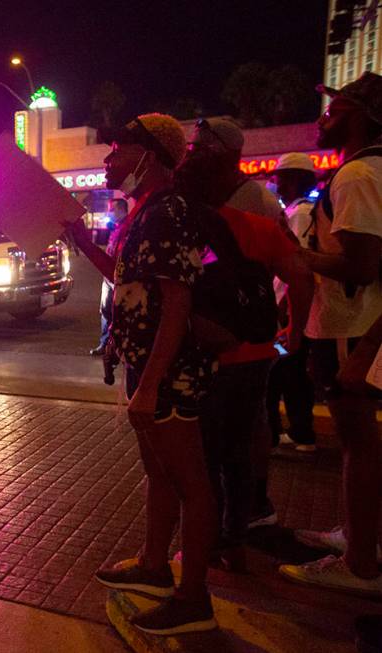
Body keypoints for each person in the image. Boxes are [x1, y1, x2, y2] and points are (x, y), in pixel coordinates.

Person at [67, 114, 217, 635]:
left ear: (149, 155)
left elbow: (176, 303)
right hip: (146, 367)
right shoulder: (145, 212)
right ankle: (154, 568)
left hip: (169, 373)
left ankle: (194, 598)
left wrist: (151, 384)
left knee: (192, 482)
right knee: (159, 472)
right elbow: (132, 283)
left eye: (117, 149)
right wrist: (84, 245)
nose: (108, 161)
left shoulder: (168, 212)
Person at [177, 127, 314, 572]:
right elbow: (300, 277)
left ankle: (209, 543)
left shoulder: (190, 232)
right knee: (237, 452)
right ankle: (236, 540)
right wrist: (293, 330)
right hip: (257, 352)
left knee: (204, 457)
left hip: (209, 357)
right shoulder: (259, 225)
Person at [279, 73, 382, 596]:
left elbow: (361, 266)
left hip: (352, 327)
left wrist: (300, 256)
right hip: (358, 327)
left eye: (333, 110)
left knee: (359, 446)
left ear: (361, 116)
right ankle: (361, 536)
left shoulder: (358, 175)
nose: (322, 120)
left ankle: (362, 564)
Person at [267, 153, 319, 453]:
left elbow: (297, 266)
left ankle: (294, 433)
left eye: (281, 179)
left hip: (286, 310)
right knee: (289, 372)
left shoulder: (299, 214)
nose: (277, 185)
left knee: (281, 372)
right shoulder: (301, 211)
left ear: (296, 178)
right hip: (289, 309)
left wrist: (286, 309)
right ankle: (299, 432)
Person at [92, 199, 129, 356]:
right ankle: (105, 343)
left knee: (117, 311)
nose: (110, 213)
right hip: (108, 276)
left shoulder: (129, 227)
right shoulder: (116, 227)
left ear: (121, 209)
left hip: (118, 276)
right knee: (106, 310)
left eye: (112, 210)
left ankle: (118, 345)